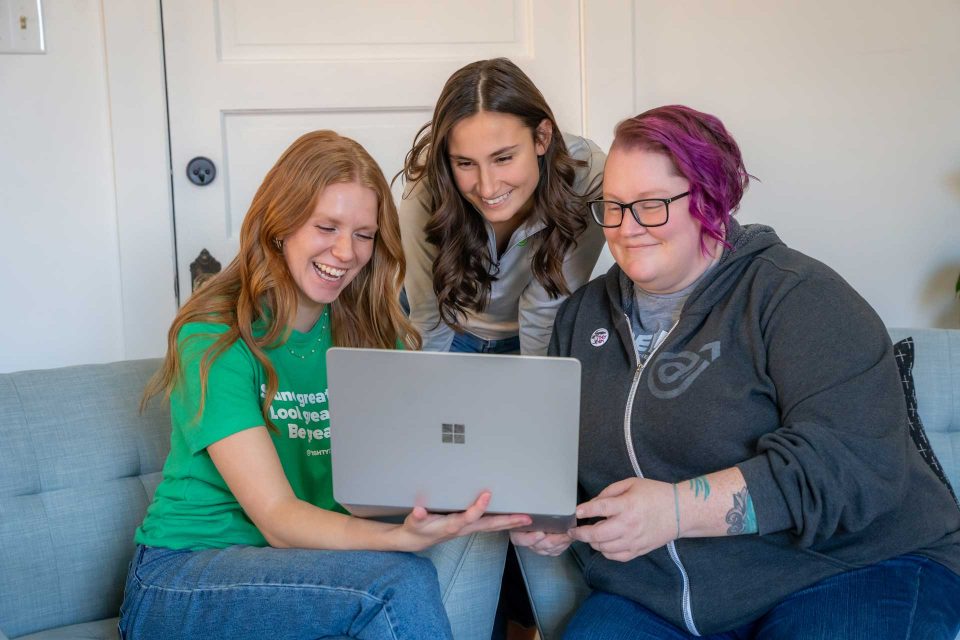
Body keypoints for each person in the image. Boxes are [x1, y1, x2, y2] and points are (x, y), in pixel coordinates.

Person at [515, 105, 960, 638]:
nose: (626, 228)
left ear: (711, 200)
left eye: (651, 206)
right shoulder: (581, 317)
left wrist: (676, 511)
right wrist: (552, 515)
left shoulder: (797, 296)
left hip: (852, 567)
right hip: (662, 596)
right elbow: (560, 459)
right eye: (612, 206)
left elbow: (852, 467)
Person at [119, 130, 530, 640]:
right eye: (326, 226)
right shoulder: (214, 335)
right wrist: (396, 539)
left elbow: (406, 467)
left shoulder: (374, 333)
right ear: (280, 225)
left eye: (363, 233)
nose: (346, 251)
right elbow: (276, 517)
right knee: (395, 583)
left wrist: (488, 494)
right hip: (183, 578)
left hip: (308, 569)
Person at [396, 57, 605, 639]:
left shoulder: (589, 178)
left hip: (546, 341)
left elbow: (544, 310)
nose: (486, 187)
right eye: (465, 164)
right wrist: (429, 430)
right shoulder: (421, 197)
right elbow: (430, 324)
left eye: (503, 158)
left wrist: (535, 434)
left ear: (542, 137)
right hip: (455, 341)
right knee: (459, 508)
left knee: (537, 500)